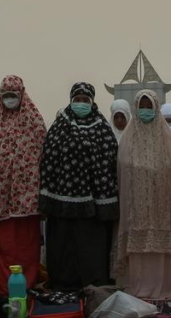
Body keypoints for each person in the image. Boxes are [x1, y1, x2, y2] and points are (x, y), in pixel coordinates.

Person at [40, 81, 120, 290]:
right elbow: (48, 161)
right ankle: (63, 284)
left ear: (92, 102)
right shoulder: (59, 128)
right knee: (63, 246)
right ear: (71, 101)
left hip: (92, 207)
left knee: (90, 246)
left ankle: (92, 285)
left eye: (85, 100)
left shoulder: (103, 129)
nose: (81, 104)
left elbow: (110, 163)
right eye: (77, 100)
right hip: (62, 204)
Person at [0, 75, 47, 294]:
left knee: (23, 245)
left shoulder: (34, 123)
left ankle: (24, 282)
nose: (10, 99)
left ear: (22, 95)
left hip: (25, 201)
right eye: (6, 96)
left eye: (13, 95)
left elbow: (41, 155)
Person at [112, 89, 171, 299]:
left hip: (162, 209)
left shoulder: (168, 140)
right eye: (141, 107)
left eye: (149, 106)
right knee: (136, 252)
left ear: (156, 108)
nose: (145, 110)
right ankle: (136, 288)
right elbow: (124, 166)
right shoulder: (127, 141)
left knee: (162, 251)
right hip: (136, 209)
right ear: (136, 109)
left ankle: (165, 287)